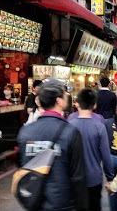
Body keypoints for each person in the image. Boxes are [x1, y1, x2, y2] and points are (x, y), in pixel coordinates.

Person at [17, 79, 88, 210]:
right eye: (64, 94)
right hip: (63, 203)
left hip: (34, 201)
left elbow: (22, 167)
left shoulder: (25, 132)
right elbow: (78, 176)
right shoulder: (70, 132)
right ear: (58, 101)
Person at [69, 87, 114, 211]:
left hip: (74, 177)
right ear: (94, 105)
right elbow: (106, 155)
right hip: (94, 178)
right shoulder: (99, 126)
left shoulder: (69, 124)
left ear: (77, 103)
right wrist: (110, 178)